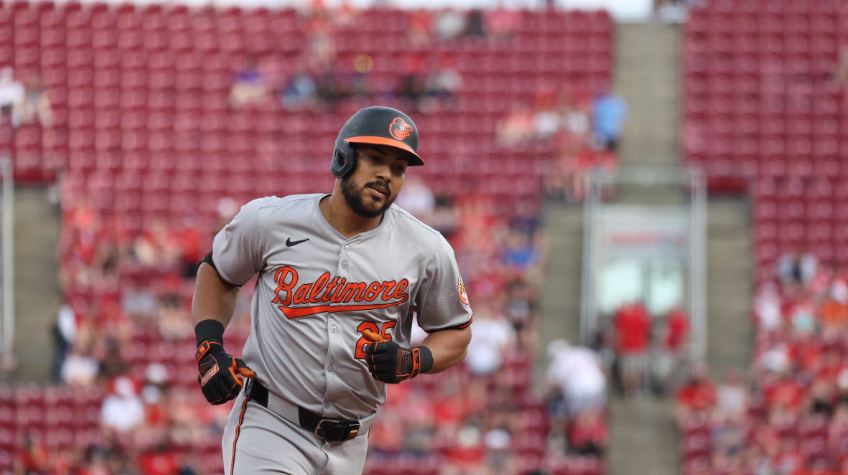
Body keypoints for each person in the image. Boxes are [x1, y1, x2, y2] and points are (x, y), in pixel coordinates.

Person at [191, 106, 473, 475]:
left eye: (398, 168)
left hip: (352, 441)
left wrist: (414, 359)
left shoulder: (426, 248)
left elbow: (455, 330)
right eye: (374, 158)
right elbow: (218, 271)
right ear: (343, 158)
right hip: (271, 424)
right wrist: (209, 346)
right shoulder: (270, 221)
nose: (385, 174)